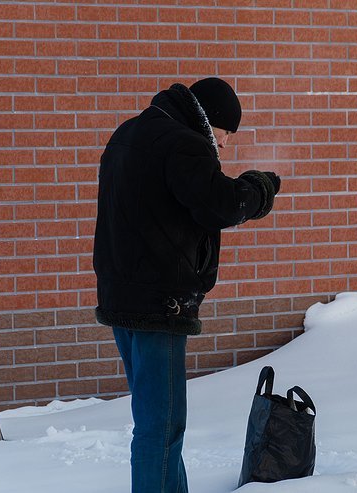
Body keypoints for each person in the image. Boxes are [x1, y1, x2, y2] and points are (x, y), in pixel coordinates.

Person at [93, 77, 280, 493]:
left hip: (121, 297)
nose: (225, 146)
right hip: (160, 303)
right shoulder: (184, 143)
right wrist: (260, 189)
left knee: (153, 421)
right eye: (226, 134)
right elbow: (221, 205)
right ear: (209, 120)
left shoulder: (129, 132)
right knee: (161, 428)